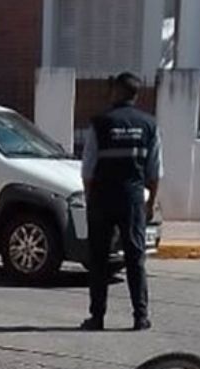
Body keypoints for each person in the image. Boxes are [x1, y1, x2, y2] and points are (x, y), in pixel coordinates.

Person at [80, 72, 163, 331]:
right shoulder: (149, 125)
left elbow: (88, 170)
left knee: (99, 259)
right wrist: (150, 204)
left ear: (116, 91)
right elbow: (155, 171)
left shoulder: (100, 123)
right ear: (136, 95)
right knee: (135, 257)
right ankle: (140, 316)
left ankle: (97, 317)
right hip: (132, 198)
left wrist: (90, 197)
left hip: (103, 198)